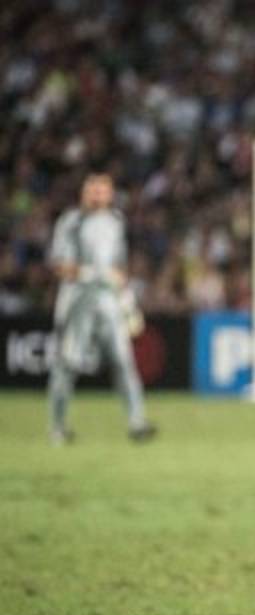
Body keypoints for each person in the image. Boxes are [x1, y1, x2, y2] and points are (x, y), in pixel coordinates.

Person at [47, 172, 155, 444]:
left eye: (102, 190)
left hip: (108, 300)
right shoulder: (71, 221)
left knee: (123, 360)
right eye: (93, 189)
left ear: (110, 194)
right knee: (68, 363)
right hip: (78, 299)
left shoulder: (116, 222)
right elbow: (59, 265)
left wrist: (125, 298)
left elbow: (119, 267)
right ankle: (58, 427)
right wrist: (93, 274)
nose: (97, 195)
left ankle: (137, 422)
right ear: (84, 192)